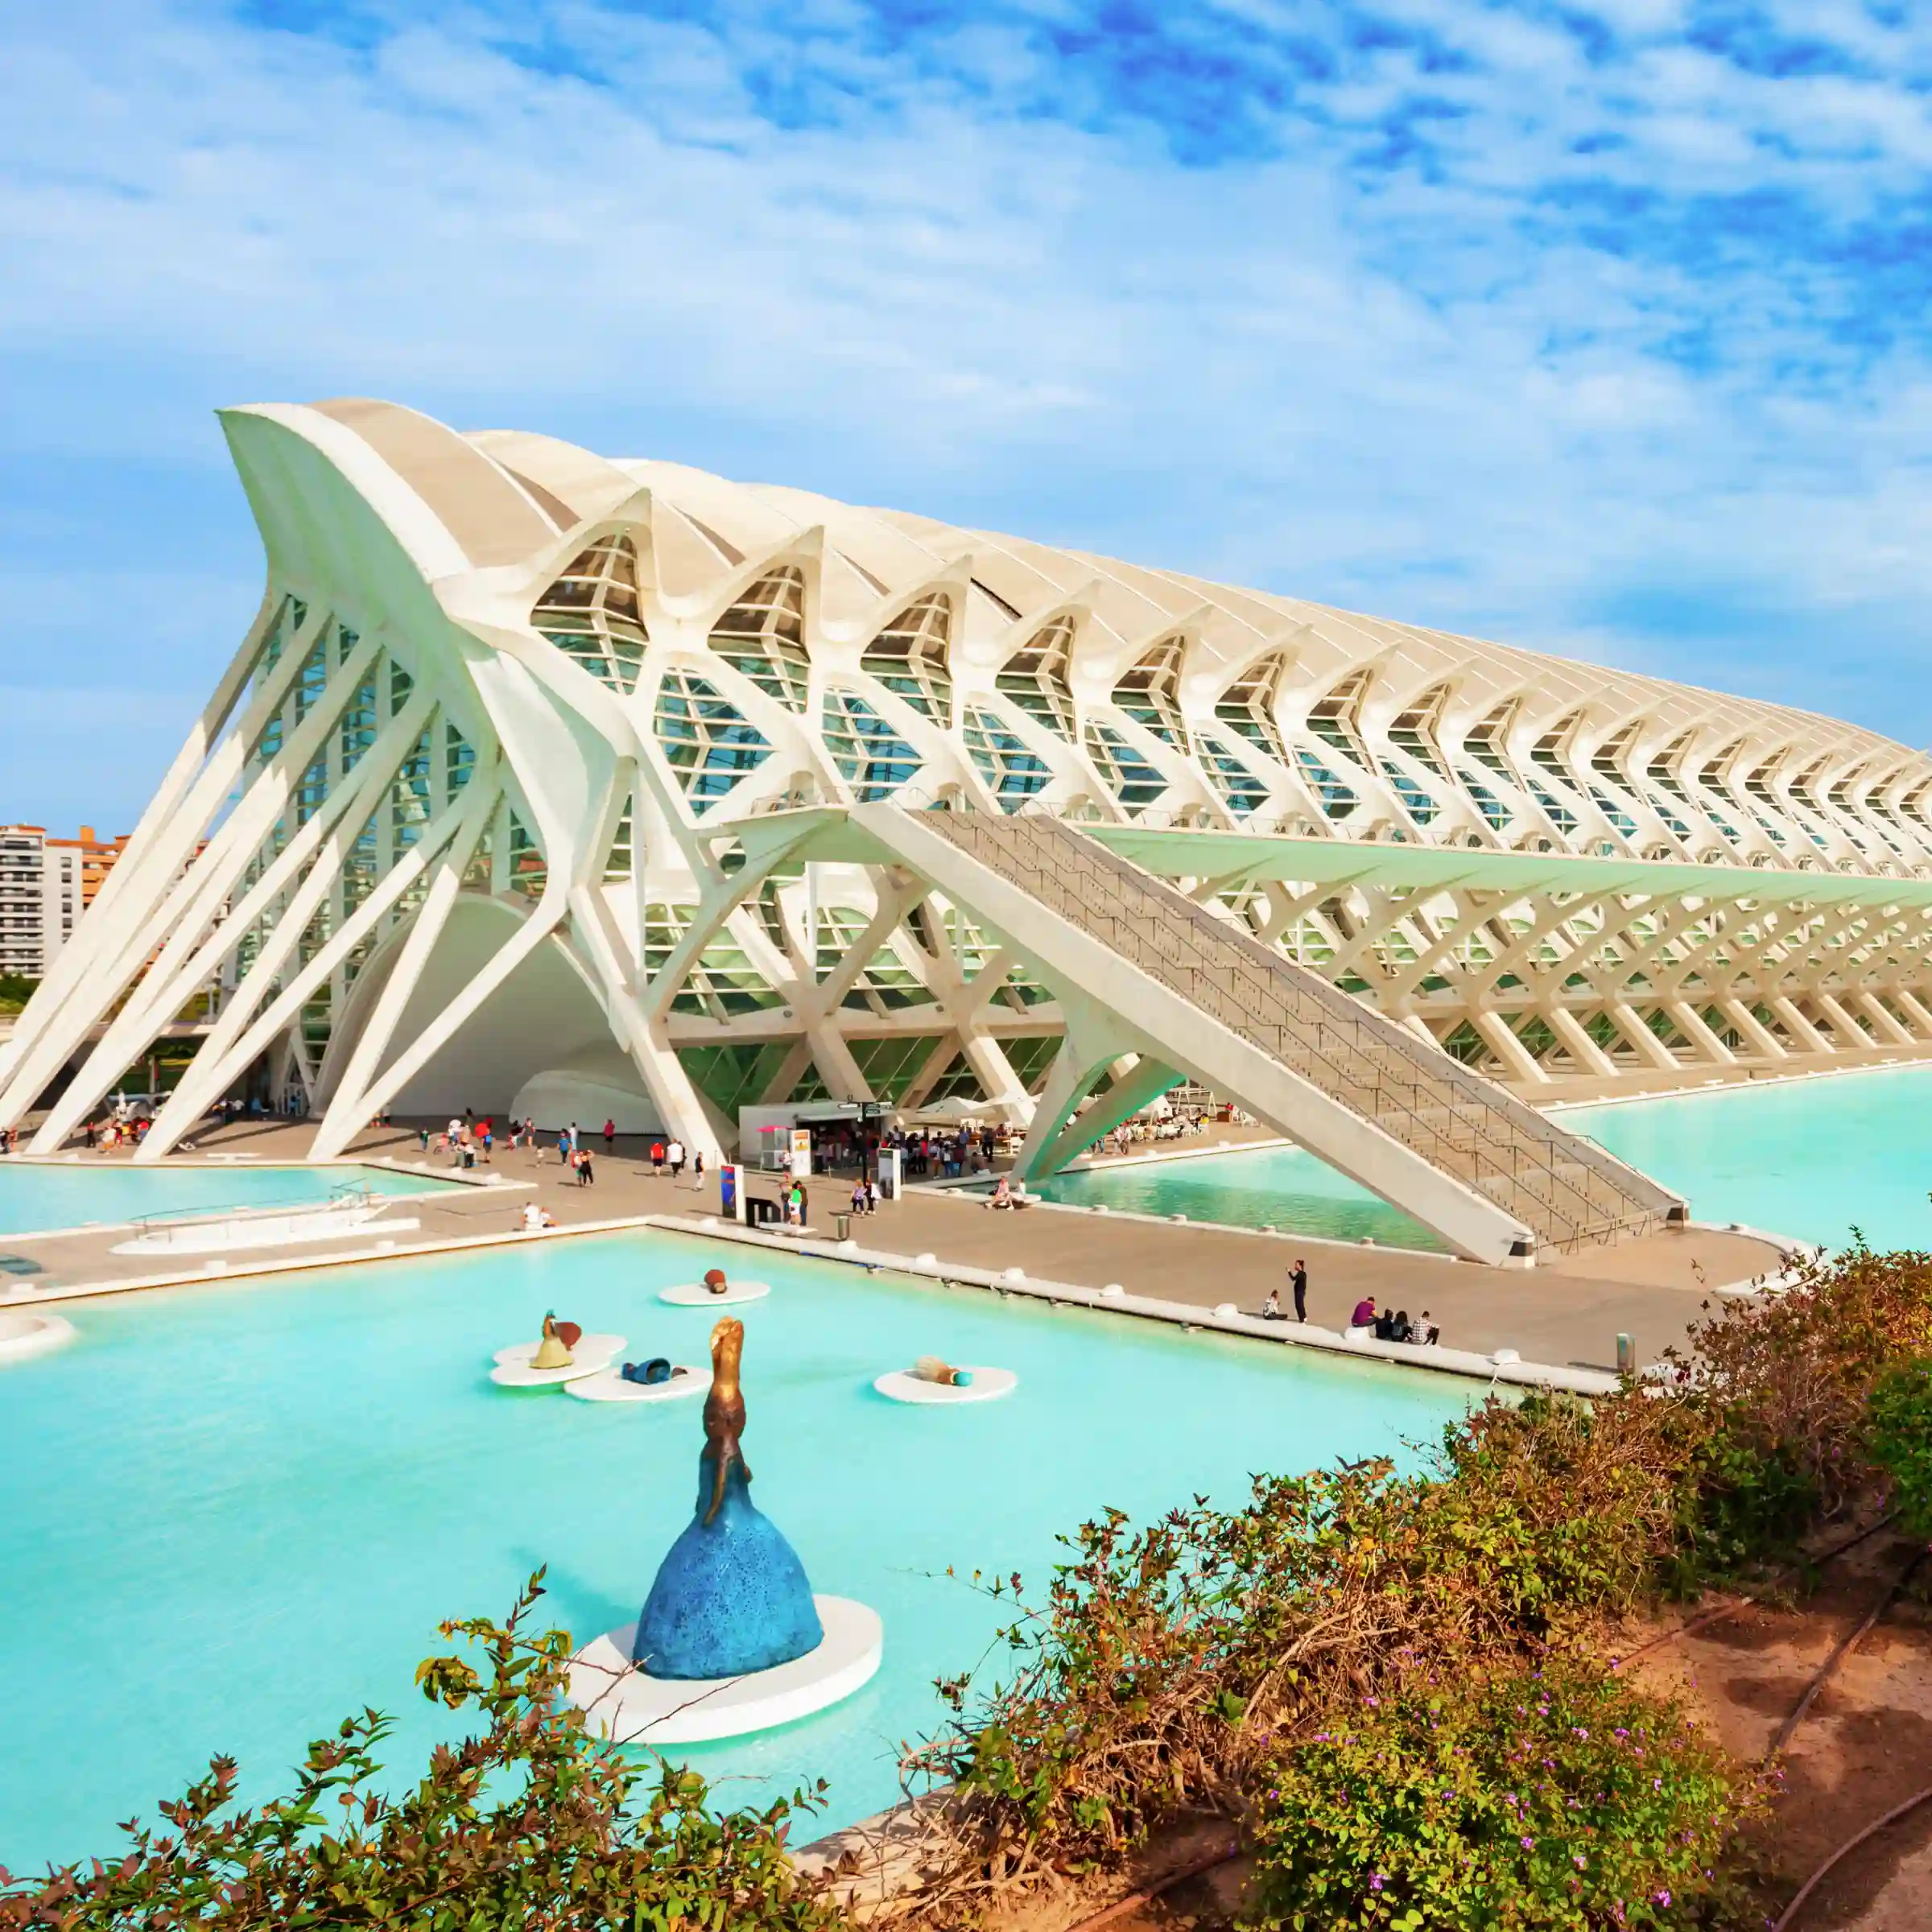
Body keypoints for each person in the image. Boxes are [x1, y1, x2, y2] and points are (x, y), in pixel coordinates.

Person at [1290, 1259, 1308, 1323]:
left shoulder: (1301, 1273)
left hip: (1299, 1292)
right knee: (1300, 1305)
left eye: (1297, 1265)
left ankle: (1302, 1318)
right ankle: (1303, 1317)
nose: (1295, 1266)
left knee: (1299, 1305)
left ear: (1300, 1266)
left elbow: (1293, 1278)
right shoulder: (1303, 1274)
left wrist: (1289, 1272)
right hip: (1300, 1292)